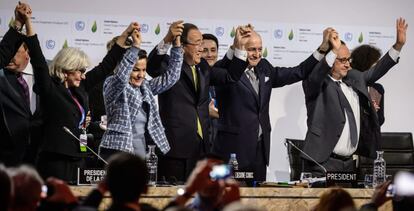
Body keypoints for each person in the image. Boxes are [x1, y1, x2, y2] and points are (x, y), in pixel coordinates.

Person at [23, 5, 136, 183]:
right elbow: (37, 57)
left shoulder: (81, 87)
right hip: (55, 160)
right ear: (67, 69)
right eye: (80, 71)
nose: (84, 75)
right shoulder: (49, 88)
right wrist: (28, 22)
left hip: (79, 156)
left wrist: (125, 35)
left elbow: (105, 66)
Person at [212, 26, 329, 181]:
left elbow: (298, 71)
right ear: (241, 49)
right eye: (252, 49)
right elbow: (220, 70)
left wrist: (321, 50)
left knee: (257, 199)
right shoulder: (225, 70)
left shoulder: (264, 67)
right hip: (233, 149)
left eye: (260, 49)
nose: (257, 54)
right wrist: (235, 48)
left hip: (260, 150)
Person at [301, 18, 407, 176]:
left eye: (348, 60)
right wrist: (333, 50)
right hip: (322, 163)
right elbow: (316, 75)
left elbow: (377, 70)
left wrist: (398, 46)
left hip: (349, 163)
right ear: (330, 61)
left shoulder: (354, 78)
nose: (347, 64)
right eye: (342, 60)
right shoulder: (317, 84)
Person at [146, 21, 248, 182]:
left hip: (201, 149)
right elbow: (151, 66)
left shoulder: (203, 67)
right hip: (175, 148)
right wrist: (168, 38)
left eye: (202, 42)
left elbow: (230, 76)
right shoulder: (168, 64)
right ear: (183, 45)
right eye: (197, 43)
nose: (201, 48)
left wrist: (240, 47)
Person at [99, 26, 183, 159]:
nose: (141, 75)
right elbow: (121, 78)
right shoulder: (112, 84)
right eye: (136, 70)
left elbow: (171, 77)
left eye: (144, 70)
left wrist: (177, 47)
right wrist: (135, 47)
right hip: (117, 151)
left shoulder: (145, 88)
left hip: (141, 153)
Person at [0, 2, 41, 167]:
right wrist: (17, 23)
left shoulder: (44, 76)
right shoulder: (2, 78)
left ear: (27, 53)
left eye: (15, 52)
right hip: (7, 153)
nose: (10, 57)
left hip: (38, 154)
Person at [350, 45, 385, 126]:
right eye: (376, 63)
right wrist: (367, 111)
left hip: (372, 136)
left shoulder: (378, 88)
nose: (378, 67)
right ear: (365, 63)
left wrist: (374, 113)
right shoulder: (349, 86)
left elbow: (380, 120)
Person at [201, 33, 220, 145]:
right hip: (198, 142)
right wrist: (205, 112)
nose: (209, 54)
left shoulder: (225, 78)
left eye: (213, 50)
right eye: (205, 50)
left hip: (221, 142)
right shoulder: (192, 78)